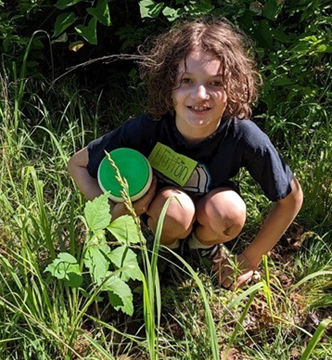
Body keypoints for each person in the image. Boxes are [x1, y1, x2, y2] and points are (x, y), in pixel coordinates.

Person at [68, 17, 303, 290]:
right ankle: (164, 251)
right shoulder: (148, 128)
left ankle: (204, 248)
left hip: (210, 212)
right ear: (169, 86)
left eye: (216, 83)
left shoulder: (244, 135)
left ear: (234, 88)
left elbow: (291, 198)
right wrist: (115, 211)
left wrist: (249, 260)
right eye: (187, 80)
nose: (200, 94)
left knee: (231, 211)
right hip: (163, 216)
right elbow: (77, 164)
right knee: (175, 209)